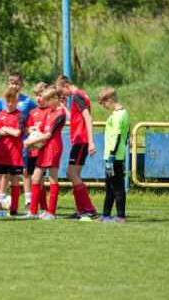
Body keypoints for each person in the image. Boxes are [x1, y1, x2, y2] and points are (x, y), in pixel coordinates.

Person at [0, 72, 37, 208]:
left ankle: (28, 200)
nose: (14, 85)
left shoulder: (27, 101)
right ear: (8, 84)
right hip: (6, 144)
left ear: (21, 84)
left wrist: (30, 128)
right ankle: (0, 199)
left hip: (22, 143)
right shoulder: (2, 100)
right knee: (4, 173)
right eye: (11, 82)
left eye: (17, 82)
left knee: (25, 171)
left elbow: (36, 113)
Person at [56, 75, 98, 219]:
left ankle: (88, 208)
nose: (62, 95)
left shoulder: (77, 96)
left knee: (71, 173)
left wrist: (91, 141)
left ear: (66, 85)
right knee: (75, 175)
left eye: (61, 91)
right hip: (80, 140)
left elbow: (88, 117)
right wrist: (62, 107)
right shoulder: (78, 96)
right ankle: (82, 210)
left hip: (82, 140)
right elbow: (74, 117)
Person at [23, 86, 66, 220]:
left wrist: (29, 143)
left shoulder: (60, 115)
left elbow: (48, 135)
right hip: (44, 148)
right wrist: (33, 135)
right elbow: (40, 131)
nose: (46, 103)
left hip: (53, 148)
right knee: (36, 178)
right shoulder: (49, 112)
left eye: (48, 100)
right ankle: (33, 212)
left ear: (55, 99)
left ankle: (51, 213)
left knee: (53, 178)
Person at [0, 86, 25, 217]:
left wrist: (5, 129)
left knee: (15, 180)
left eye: (13, 101)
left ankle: (14, 209)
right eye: (8, 101)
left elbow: (17, 133)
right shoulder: (1, 114)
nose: (10, 104)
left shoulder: (20, 115)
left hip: (15, 154)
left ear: (17, 101)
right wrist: (5, 130)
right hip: (1, 152)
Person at [97, 88, 130, 222]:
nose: (103, 106)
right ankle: (106, 214)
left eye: (103, 103)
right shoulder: (117, 113)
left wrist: (112, 155)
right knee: (109, 187)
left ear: (109, 100)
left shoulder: (120, 115)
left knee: (117, 187)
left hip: (115, 157)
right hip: (110, 156)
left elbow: (117, 136)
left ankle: (121, 216)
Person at [24, 82, 51, 214]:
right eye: (36, 95)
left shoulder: (50, 112)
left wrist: (39, 134)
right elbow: (27, 127)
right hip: (32, 151)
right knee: (35, 179)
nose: (38, 98)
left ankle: (38, 209)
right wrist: (30, 130)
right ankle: (41, 208)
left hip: (44, 151)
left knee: (38, 179)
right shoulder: (32, 112)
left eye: (40, 95)